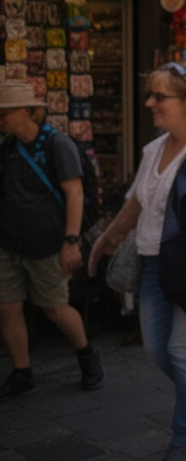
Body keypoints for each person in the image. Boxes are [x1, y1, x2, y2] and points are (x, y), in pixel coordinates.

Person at [87, 63, 186, 461]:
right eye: (151, 95)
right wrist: (107, 239)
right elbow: (137, 202)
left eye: (159, 96)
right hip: (153, 265)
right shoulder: (156, 148)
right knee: (158, 350)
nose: (150, 103)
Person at [0, 81, 104, 401]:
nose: (0, 118)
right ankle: (22, 373)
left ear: (28, 111)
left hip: (48, 242)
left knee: (56, 309)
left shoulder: (56, 145)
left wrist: (71, 241)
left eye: (6, 111)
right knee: (7, 307)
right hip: (8, 242)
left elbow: (75, 192)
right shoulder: (7, 147)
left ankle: (86, 355)